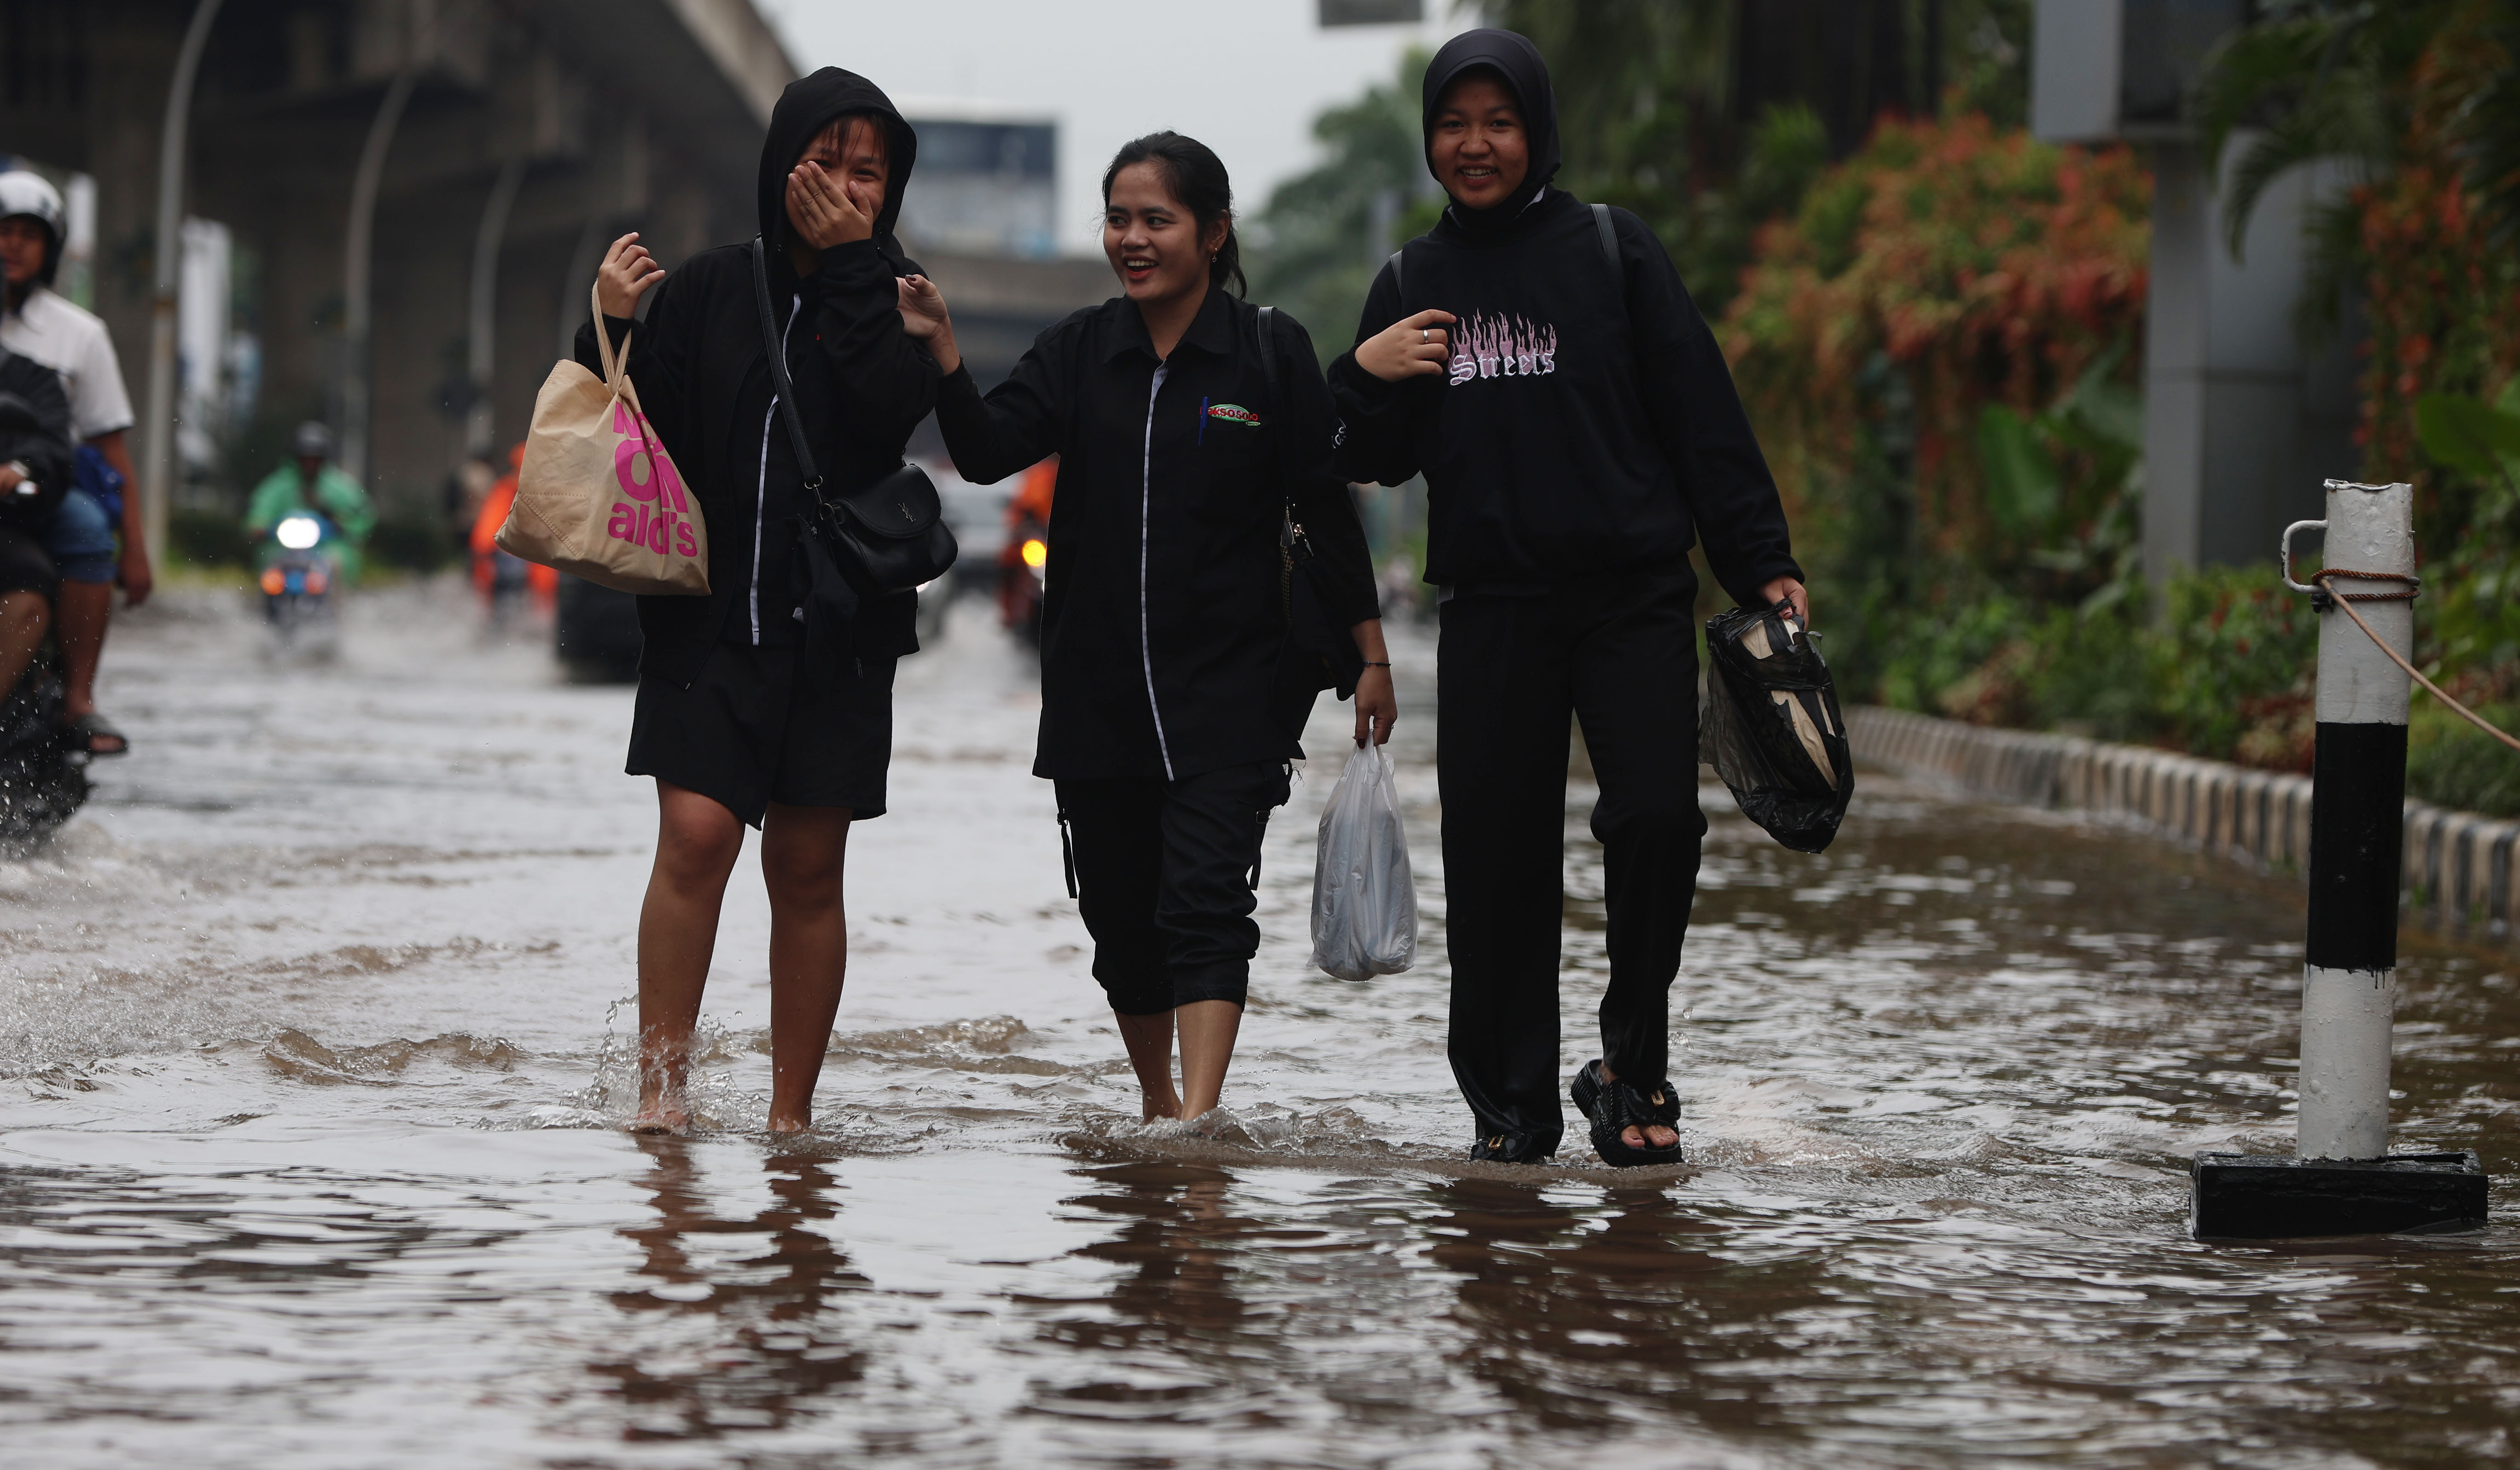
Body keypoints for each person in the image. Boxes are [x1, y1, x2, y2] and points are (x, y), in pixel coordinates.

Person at [1328, 31, 1807, 1167]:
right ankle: (1510, 1109)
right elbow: (1365, 455)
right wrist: (1364, 370)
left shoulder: (1608, 250)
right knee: (1496, 861)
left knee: (1657, 821)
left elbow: (1700, 412)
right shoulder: (1407, 282)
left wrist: (1759, 561)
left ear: (1535, 130)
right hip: (1492, 606)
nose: (1474, 144)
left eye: (1497, 122)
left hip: (1627, 595)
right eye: (1453, 123)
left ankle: (1627, 1066)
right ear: (1430, 138)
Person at [897, 132, 1392, 1127]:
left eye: (1155, 220)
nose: (1133, 239)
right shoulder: (1081, 350)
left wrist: (1370, 653)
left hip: (1235, 693)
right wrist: (946, 355)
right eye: (1118, 219)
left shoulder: (1267, 351)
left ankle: (1198, 1124)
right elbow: (989, 451)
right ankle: (1158, 1104)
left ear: (1212, 234)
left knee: (1207, 901)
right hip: (1099, 695)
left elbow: (1324, 506)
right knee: (1123, 920)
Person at [582, 68, 937, 1134]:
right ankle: (661, 1097)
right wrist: (606, 325)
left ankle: (791, 1118)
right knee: (694, 837)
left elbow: (887, 417)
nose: (839, 186)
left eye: (864, 173)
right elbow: (627, 438)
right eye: (821, 163)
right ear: (780, 165)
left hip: (838, 631)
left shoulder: (899, 303)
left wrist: (848, 272)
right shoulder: (705, 289)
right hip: (706, 619)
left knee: (807, 863)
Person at [0, 169, 148, 757]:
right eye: (2, 231)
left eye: (27, 235)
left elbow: (111, 451)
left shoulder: (78, 335)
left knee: (87, 530)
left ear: (50, 250)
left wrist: (134, 549)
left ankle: (77, 699)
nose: (12, 245)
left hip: (41, 485)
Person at [245, 422, 376, 583]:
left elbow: (362, 513)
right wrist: (259, 526)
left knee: (337, 562)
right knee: (269, 561)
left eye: (315, 459)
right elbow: (260, 510)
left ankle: (334, 601)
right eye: (305, 458)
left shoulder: (339, 486)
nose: (310, 464)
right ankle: (268, 600)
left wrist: (344, 525)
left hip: (326, 546)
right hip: (282, 547)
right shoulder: (279, 485)